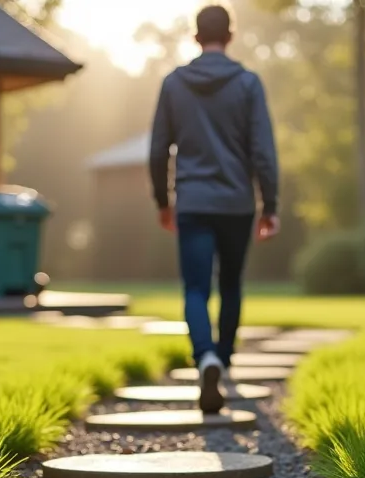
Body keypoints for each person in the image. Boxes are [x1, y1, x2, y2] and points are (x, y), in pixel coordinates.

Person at [149, 4, 280, 414]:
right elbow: (263, 151)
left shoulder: (174, 83)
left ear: (195, 36)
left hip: (193, 201)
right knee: (232, 284)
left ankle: (204, 356)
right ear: (231, 35)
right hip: (237, 202)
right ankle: (222, 361)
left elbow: (157, 151)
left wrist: (163, 202)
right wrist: (269, 204)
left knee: (194, 288)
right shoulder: (247, 83)